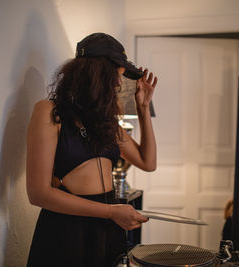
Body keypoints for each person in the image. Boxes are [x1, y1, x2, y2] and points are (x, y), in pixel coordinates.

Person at [26, 33, 158, 267]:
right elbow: (38, 194)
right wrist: (110, 212)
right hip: (67, 232)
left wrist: (143, 107)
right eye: (116, 77)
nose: (119, 85)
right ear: (95, 73)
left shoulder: (105, 122)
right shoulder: (49, 112)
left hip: (107, 230)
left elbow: (148, 163)